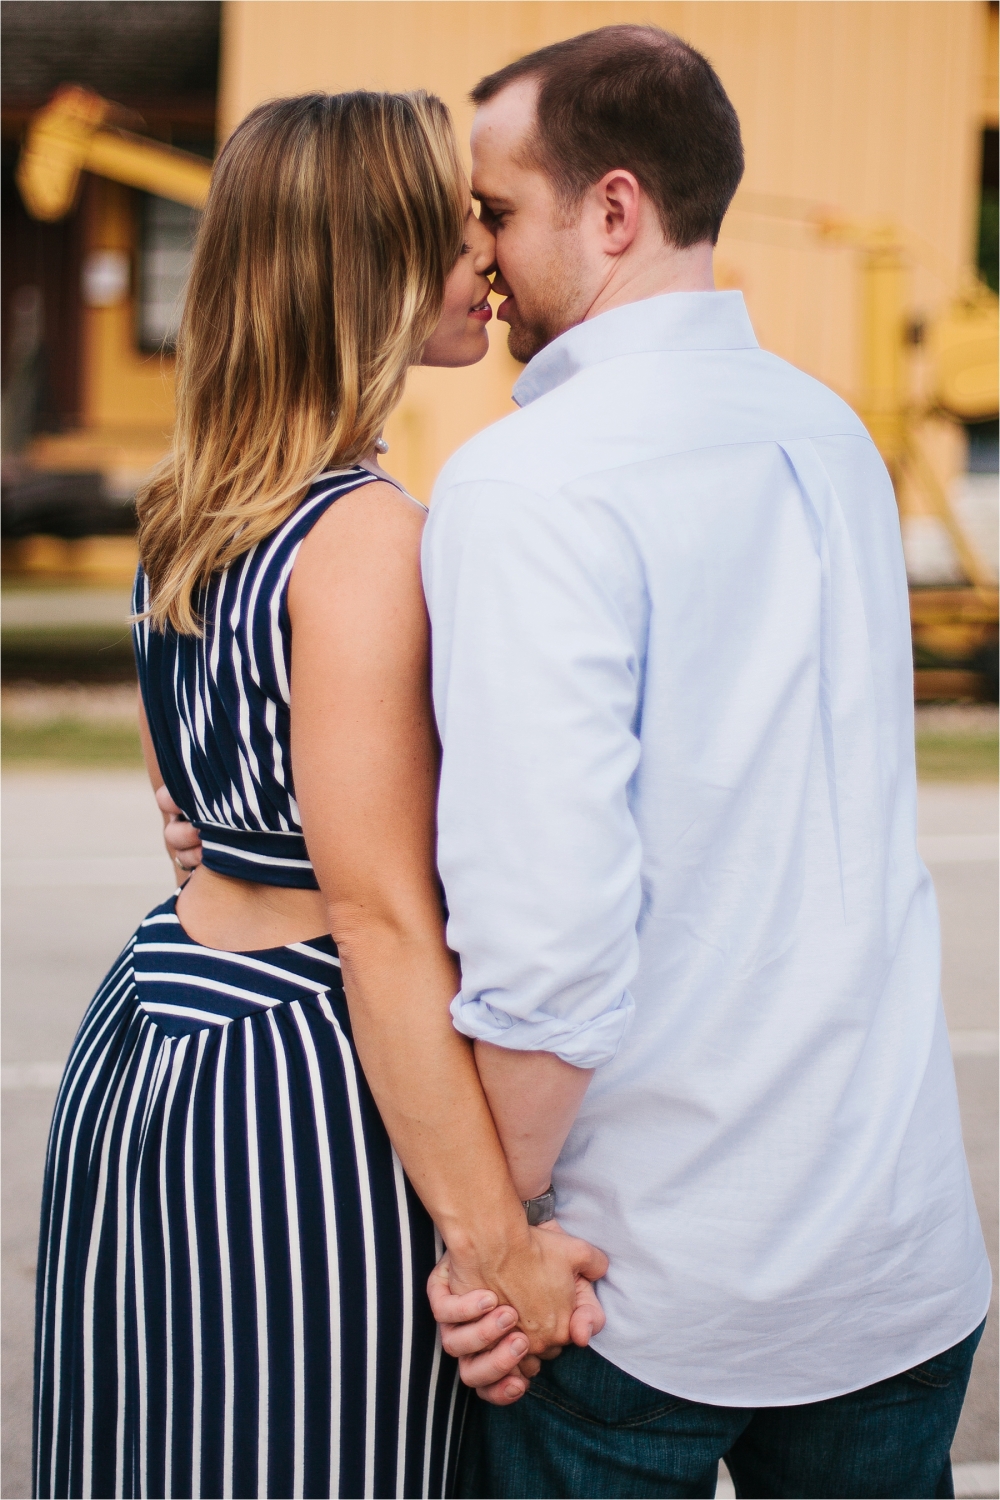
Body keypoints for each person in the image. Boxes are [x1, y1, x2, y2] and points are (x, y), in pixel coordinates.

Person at [415, 26, 991, 1500]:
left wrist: (501, 1234)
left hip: (641, 1284)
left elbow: (551, 929)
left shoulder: (528, 485)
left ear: (612, 212)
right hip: (893, 1248)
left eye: (493, 209)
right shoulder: (831, 434)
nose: (472, 249)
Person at [32, 90, 607, 1500]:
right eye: (460, 218)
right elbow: (379, 918)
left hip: (155, 1029)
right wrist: (501, 1248)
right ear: (377, 256)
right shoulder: (367, 538)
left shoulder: (191, 511)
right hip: (294, 1072)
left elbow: (193, 821)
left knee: (157, 1450)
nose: (487, 250)